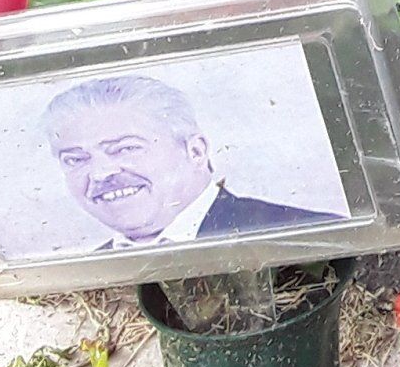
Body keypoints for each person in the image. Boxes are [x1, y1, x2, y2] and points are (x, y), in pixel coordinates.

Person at [44, 72, 338, 246]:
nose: (99, 173)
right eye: (75, 159)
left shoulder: (306, 235)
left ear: (195, 151)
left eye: (125, 148)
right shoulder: (87, 279)